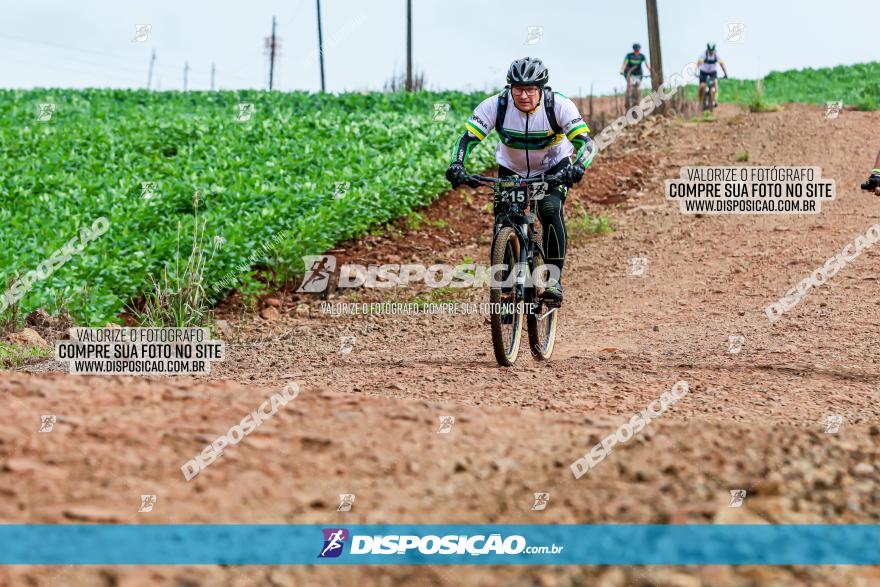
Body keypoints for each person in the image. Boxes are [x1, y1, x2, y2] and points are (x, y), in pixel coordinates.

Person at [445, 57, 595, 305]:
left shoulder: (558, 105)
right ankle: (505, 283)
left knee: (549, 209)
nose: (523, 95)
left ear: (541, 89)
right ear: (509, 88)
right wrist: (457, 164)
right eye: (518, 89)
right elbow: (467, 139)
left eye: (530, 89)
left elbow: (587, 144)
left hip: (553, 169)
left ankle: (554, 281)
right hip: (511, 170)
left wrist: (578, 166)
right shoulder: (497, 105)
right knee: (504, 217)